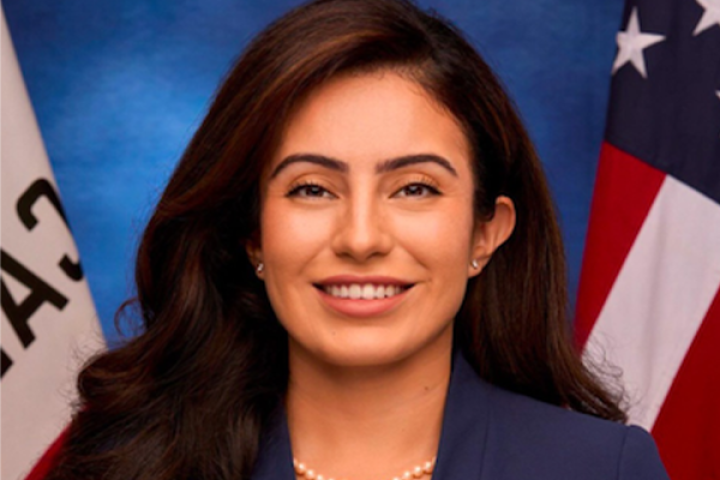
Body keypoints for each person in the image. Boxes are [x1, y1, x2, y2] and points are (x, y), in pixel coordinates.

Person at [46, 1, 670, 479]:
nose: (362, 238)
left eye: (415, 188)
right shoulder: (124, 462)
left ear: (486, 231)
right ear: (252, 235)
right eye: (312, 189)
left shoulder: (599, 469)